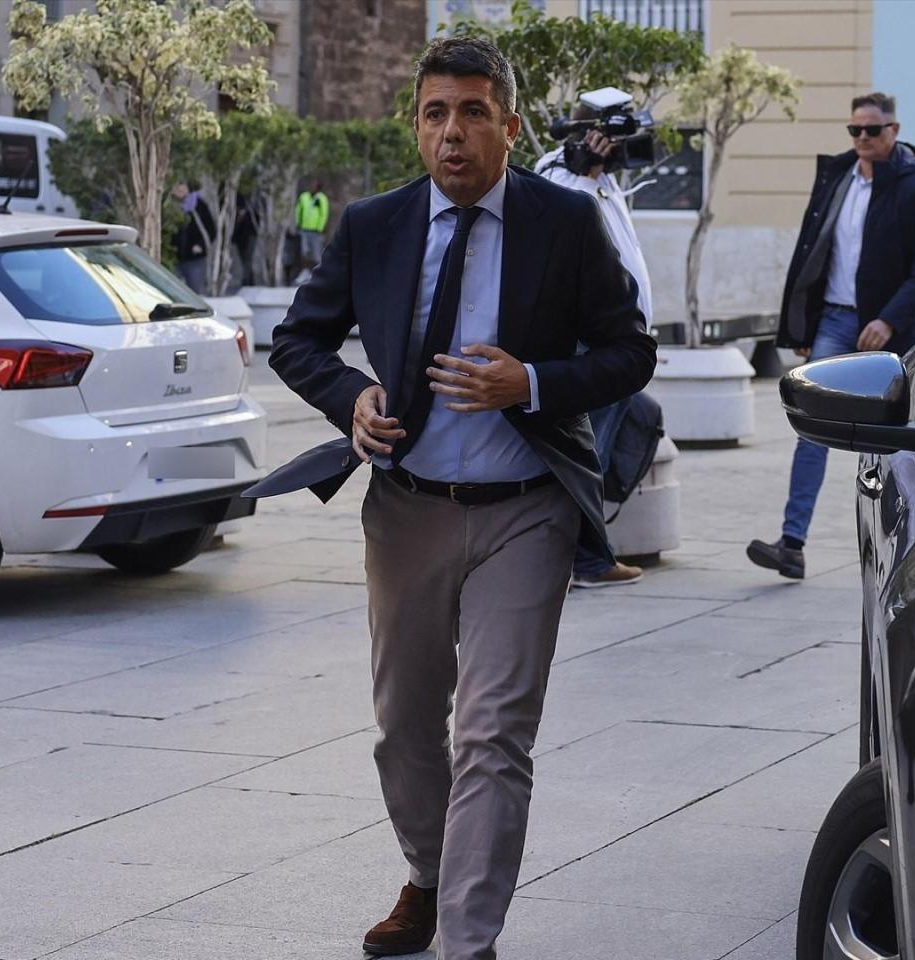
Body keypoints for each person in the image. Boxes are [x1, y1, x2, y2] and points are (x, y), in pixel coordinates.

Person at [248, 36, 654, 960]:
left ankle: (469, 942)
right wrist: (351, 397)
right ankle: (430, 877)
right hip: (408, 508)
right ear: (417, 128)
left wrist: (534, 382)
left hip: (526, 507)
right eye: (436, 114)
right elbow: (297, 340)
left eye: (474, 112)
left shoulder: (565, 223)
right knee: (404, 729)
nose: (454, 133)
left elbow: (631, 352)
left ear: (509, 126)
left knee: (494, 734)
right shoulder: (376, 226)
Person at [748, 92, 915, 580]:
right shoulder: (837, 177)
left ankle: (904, 546)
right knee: (811, 423)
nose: (862, 139)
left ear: (894, 131)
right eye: (854, 130)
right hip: (835, 320)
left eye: (872, 131)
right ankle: (791, 544)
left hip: (891, 325)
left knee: (889, 439)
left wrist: (889, 321)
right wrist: (804, 322)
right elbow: (812, 252)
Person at [537, 113, 653, 589]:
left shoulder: (604, 185)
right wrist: (583, 170)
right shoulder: (566, 182)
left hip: (622, 342)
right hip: (593, 342)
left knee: (617, 437)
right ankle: (581, 558)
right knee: (588, 453)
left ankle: (584, 554)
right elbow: (573, 238)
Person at [173, 181, 213, 293]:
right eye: (176, 185)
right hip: (174, 258)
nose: (179, 188)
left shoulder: (199, 205)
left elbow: (210, 229)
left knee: (195, 292)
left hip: (195, 258)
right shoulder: (168, 205)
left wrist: (200, 245)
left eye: (182, 184)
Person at [295, 180, 329, 272]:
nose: (311, 187)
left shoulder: (322, 198)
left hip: (315, 230)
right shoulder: (304, 196)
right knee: (304, 251)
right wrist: (298, 223)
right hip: (304, 228)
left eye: (314, 186)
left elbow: (324, 214)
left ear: (318, 187)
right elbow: (298, 210)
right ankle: (304, 271)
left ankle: (316, 271)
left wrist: (320, 228)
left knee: (316, 253)